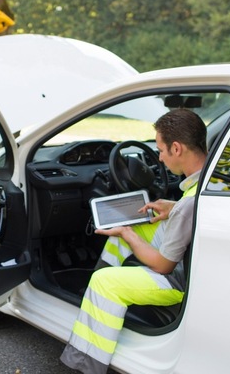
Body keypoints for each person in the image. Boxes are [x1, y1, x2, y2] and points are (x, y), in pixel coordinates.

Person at [60, 109, 208, 374]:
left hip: (177, 281)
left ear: (176, 148)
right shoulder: (207, 180)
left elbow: (163, 267)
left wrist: (126, 233)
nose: (159, 158)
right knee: (134, 229)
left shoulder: (188, 205)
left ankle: (85, 364)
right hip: (192, 258)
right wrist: (172, 208)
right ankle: (94, 302)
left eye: (161, 150)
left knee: (106, 279)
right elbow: (193, 211)